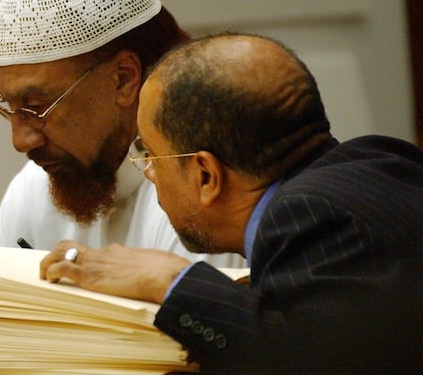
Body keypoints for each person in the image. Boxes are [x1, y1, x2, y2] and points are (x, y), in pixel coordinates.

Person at [40, 32, 423, 374]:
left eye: (151, 156)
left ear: (206, 175)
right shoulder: (381, 158)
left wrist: (170, 279)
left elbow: (300, 360)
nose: (148, 173)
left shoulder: (309, 216)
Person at [0, 0, 243, 268]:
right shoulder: (31, 192)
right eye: (8, 106)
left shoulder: (204, 194)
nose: (21, 141)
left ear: (123, 79)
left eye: (36, 106)